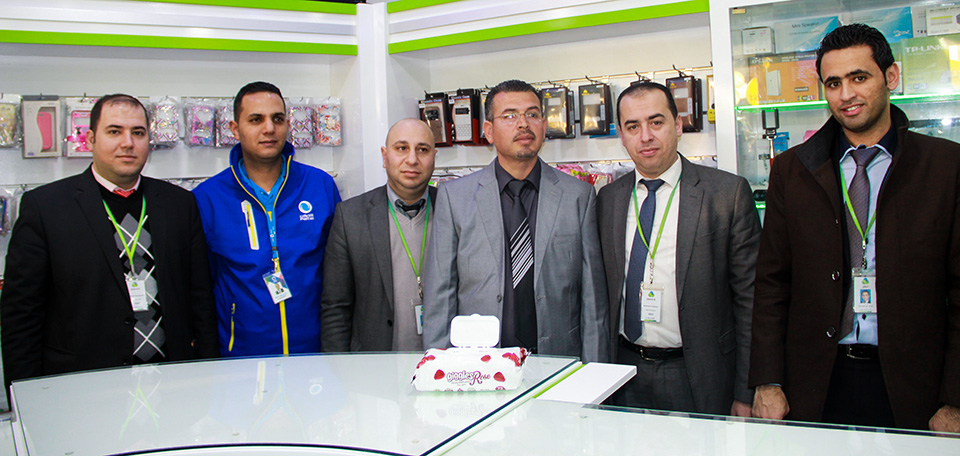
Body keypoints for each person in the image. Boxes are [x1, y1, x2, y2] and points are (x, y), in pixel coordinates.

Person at [750, 24, 960, 432]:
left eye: (859, 78)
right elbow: (772, 283)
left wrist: (955, 399)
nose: (846, 94)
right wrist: (768, 380)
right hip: (817, 381)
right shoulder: (793, 170)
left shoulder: (945, 166)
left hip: (915, 384)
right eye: (833, 83)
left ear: (891, 77)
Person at [1, 94, 218, 386]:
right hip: (83, 385)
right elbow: (21, 316)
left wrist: (206, 375)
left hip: (171, 382)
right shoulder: (45, 208)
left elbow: (200, 299)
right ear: (91, 139)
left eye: (138, 133)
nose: (128, 143)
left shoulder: (179, 204)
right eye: (114, 131)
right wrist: (24, 396)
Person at [597, 82, 760, 414]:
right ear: (622, 136)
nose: (645, 136)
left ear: (679, 125)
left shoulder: (725, 194)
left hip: (698, 373)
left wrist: (746, 390)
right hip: (624, 370)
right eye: (633, 126)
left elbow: (751, 300)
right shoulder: (608, 199)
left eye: (656, 122)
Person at [421, 79, 609, 362]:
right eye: (509, 116)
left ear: (543, 125)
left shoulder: (578, 196)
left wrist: (594, 370)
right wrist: (440, 366)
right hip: (478, 363)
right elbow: (440, 294)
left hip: (558, 360)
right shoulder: (454, 197)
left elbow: (593, 299)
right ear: (488, 131)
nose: (523, 124)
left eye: (532, 114)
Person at [193, 82, 341, 357]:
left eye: (278, 119)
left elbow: (340, 274)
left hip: (315, 354)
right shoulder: (208, 197)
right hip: (241, 356)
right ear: (234, 128)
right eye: (256, 120)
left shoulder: (319, 186)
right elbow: (201, 285)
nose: (269, 128)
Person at [321, 119, 438, 352]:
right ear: (385, 157)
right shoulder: (350, 217)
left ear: (434, 157)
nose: (412, 159)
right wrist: (340, 366)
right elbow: (336, 307)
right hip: (374, 363)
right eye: (401, 148)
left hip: (444, 362)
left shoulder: (454, 209)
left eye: (422, 150)